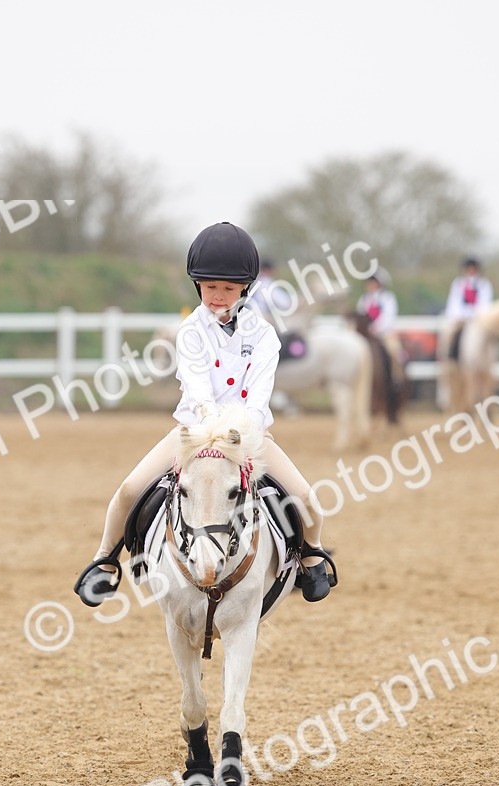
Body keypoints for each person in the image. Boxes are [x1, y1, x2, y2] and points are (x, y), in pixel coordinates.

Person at [73, 221, 331, 606]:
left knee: (307, 497)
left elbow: (259, 398)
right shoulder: (190, 331)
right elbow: (198, 395)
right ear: (197, 285)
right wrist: (213, 434)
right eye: (210, 287)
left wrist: (242, 436)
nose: (218, 296)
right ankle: (105, 561)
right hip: (194, 434)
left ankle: (311, 556)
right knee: (129, 489)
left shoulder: (264, 335)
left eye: (228, 288)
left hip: (249, 437)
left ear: (245, 287)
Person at [355, 269, 403, 415]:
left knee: (394, 351)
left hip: (384, 334)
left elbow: (389, 317)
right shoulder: (363, 299)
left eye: (374, 282)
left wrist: (376, 329)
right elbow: (360, 317)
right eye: (370, 282)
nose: (371, 285)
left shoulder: (388, 298)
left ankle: (396, 376)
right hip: (367, 335)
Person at [444, 257, 493, 359]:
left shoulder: (484, 284)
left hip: (478, 318)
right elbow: (454, 302)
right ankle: (451, 355)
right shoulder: (458, 284)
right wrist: (459, 315)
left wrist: (477, 315)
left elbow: (485, 303)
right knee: (451, 335)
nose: (471, 271)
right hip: (461, 317)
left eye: (473, 268)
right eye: (469, 268)